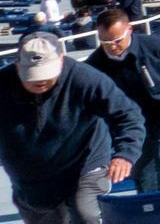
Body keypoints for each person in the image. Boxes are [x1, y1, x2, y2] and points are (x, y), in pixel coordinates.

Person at [0, 32, 144, 224]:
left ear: (61, 60)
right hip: (31, 178)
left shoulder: (85, 79)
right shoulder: (3, 85)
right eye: (31, 76)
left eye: (46, 74)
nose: (40, 82)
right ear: (17, 65)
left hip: (84, 164)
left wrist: (125, 154)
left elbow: (128, 115)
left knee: (84, 212)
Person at [83, 8, 160, 192]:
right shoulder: (95, 64)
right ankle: (148, 206)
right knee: (141, 166)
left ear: (129, 29)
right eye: (105, 42)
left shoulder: (156, 45)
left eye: (117, 40)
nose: (112, 46)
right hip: (133, 121)